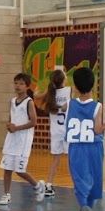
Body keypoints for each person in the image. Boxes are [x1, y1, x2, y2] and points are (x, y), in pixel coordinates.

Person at [65, 66, 105, 211]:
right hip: (94, 147)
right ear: (93, 85)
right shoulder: (97, 106)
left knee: (80, 181)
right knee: (94, 180)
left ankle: (84, 206)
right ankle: (88, 209)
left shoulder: (69, 104)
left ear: (76, 87)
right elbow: (98, 129)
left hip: (76, 147)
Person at [0, 73, 42, 205]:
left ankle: (37, 186)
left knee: (19, 171)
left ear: (27, 86)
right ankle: (6, 194)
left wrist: (16, 128)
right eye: (16, 83)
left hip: (23, 141)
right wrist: (9, 125)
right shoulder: (12, 101)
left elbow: (34, 122)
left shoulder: (29, 102)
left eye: (21, 83)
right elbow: (11, 119)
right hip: (12, 139)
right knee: (7, 169)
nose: (18, 86)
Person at [37, 69, 70, 198]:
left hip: (55, 132)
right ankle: (80, 185)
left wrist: (37, 93)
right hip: (68, 131)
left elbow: (38, 101)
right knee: (72, 160)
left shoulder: (50, 93)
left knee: (55, 160)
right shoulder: (69, 91)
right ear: (63, 80)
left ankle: (49, 185)